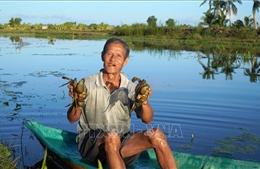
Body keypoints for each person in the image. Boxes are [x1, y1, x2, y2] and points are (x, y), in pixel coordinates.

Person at [67, 37, 177, 169]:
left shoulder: (131, 88)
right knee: (111, 137)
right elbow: (72, 119)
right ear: (102, 56)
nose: (113, 59)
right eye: (109, 54)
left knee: (156, 135)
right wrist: (77, 101)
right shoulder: (87, 84)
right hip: (91, 145)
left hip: (121, 144)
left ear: (125, 61)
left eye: (118, 56)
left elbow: (147, 120)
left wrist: (144, 102)